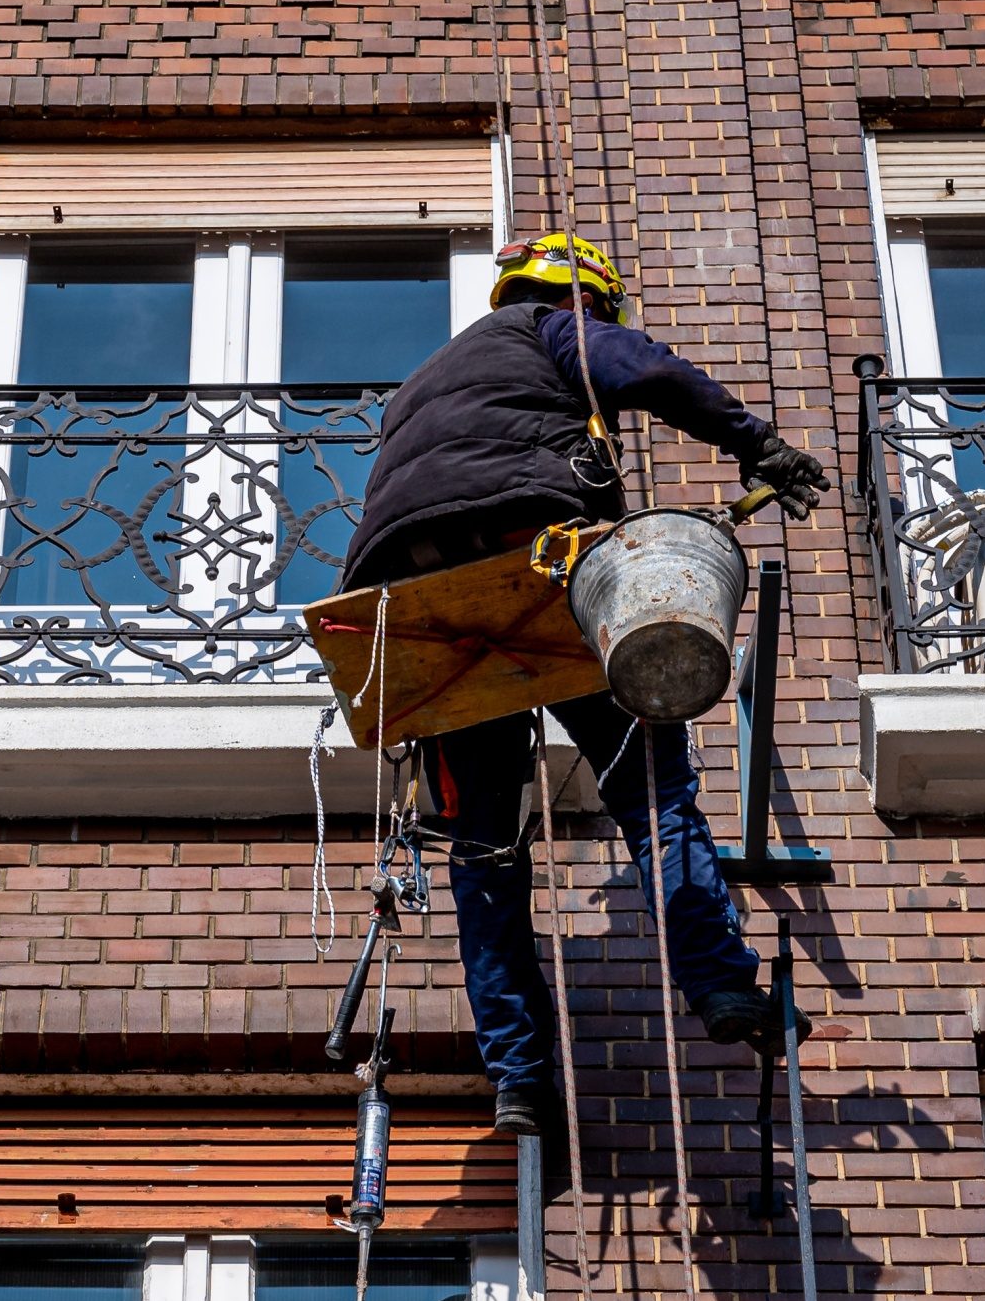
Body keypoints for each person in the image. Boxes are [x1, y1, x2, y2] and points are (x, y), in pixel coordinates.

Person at [339, 232, 830, 1137]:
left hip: (416, 601)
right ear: (586, 295)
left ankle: (518, 1077)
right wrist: (757, 444)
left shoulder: (422, 381)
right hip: (534, 550)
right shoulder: (549, 327)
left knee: (484, 850)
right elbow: (642, 369)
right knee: (654, 786)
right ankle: (721, 983)